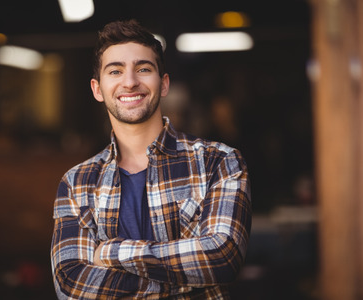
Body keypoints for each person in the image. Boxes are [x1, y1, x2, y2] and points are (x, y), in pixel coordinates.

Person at [51, 19, 252, 299]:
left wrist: (109, 252)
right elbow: (70, 282)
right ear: (98, 89)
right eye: (115, 71)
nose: (130, 82)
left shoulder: (218, 162)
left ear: (164, 83)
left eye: (143, 69)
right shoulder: (77, 183)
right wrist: (183, 282)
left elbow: (222, 258)